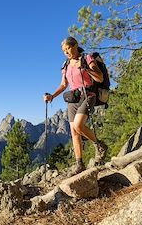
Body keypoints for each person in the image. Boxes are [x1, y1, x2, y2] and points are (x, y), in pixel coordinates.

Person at [43, 37, 108, 175]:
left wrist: (85, 68)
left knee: (79, 125)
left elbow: (100, 77)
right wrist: (52, 96)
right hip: (73, 98)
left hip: (88, 94)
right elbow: (63, 84)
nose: (66, 52)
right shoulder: (66, 64)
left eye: (68, 48)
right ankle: (79, 164)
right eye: (64, 50)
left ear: (76, 45)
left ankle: (99, 145)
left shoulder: (87, 58)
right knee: (74, 132)